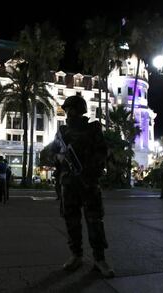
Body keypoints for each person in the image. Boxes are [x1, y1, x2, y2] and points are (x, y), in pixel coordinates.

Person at [45, 95, 114, 278]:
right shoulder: (62, 132)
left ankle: (99, 258)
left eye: (71, 110)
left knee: (94, 221)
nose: (68, 114)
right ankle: (76, 255)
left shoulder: (92, 129)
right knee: (71, 221)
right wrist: (58, 157)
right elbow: (51, 153)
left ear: (80, 110)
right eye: (67, 110)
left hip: (89, 182)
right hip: (69, 183)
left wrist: (92, 167)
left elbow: (103, 151)